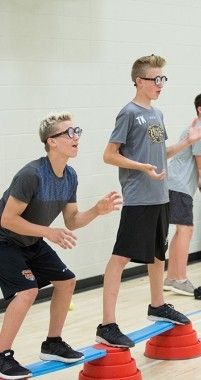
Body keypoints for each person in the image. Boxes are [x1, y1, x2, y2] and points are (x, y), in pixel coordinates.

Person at [96, 54, 201, 348]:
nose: (160, 84)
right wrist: (141, 167)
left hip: (161, 197)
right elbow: (109, 155)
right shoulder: (128, 113)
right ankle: (107, 324)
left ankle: (157, 305)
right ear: (139, 81)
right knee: (120, 258)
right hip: (138, 198)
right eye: (154, 79)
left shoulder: (157, 115)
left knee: (158, 255)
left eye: (163, 79)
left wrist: (188, 140)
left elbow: (162, 154)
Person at [0, 112, 122, 379]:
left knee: (66, 281)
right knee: (27, 291)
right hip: (4, 240)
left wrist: (96, 211)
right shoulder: (31, 175)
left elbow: (72, 221)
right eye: (68, 132)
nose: (75, 136)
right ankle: (2, 355)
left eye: (76, 131)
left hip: (31, 240)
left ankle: (52, 343)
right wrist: (48, 232)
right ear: (51, 141)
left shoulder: (70, 176)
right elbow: (8, 220)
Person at [163, 92, 201, 296]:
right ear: (200, 109)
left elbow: (193, 168)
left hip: (178, 186)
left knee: (182, 231)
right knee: (185, 230)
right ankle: (180, 279)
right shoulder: (197, 133)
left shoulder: (197, 131)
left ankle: (171, 278)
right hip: (178, 187)